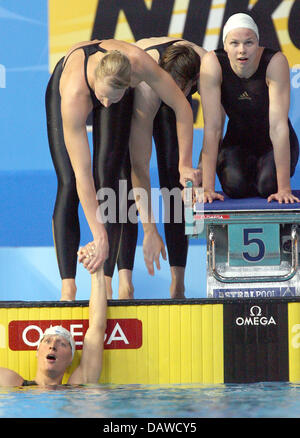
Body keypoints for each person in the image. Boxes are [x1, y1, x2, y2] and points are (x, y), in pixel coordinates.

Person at [45, 39, 199, 301]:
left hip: (113, 81)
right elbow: (84, 177)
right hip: (71, 84)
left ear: (130, 83)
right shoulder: (74, 97)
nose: (104, 105)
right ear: (96, 83)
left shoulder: (139, 64)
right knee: (69, 181)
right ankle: (68, 288)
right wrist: (98, 235)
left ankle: (110, 285)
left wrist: (185, 163)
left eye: (112, 98)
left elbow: (182, 106)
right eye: (102, 96)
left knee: (112, 181)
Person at [127, 37, 205, 298]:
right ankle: (121, 280)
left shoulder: (207, 68)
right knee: (123, 181)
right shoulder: (148, 89)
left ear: (192, 84)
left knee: (175, 183)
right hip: (146, 88)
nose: (168, 92)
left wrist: (197, 166)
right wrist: (150, 229)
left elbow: (215, 126)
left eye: (176, 89)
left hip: (181, 98)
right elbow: (140, 166)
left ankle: (178, 282)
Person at [200, 13, 299, 204]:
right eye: (234, 43)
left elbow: (278, 127)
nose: (242, 50)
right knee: (235, 187)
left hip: (272, 142)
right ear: (225, 45)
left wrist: (284, 188)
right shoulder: (213, 63)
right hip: (237, 142)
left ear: (258, 43)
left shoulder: (274, 62)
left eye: (249, 42)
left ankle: (265, 172)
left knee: (268, 187)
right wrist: (207, 188)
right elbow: (213, 127)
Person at [0, 249, 107, 386]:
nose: (53, 346)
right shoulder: (10, 381)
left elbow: (97, 327)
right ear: (37, 352)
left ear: (70, 359)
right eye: (47, 341)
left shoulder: (77, 389)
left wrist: (96, 269)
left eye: (62, 344)